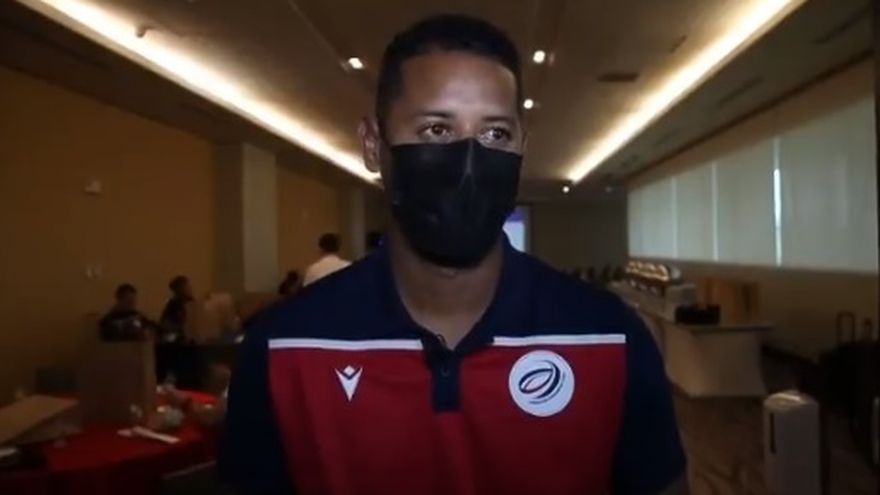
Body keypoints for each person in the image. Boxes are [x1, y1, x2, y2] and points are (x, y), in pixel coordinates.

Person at [221, 14, 685, 495]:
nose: (468, 164)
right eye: (436, 130)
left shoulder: (611, 338)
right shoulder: (282, 348)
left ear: (522, 148)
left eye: (496, 134)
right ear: (374, 146)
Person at [159, 275, 193, 343]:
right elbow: (166, 325)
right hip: (176, 341)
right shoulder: (172, 306)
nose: (190, 289)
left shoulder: (191, 303)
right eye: (187, 287)